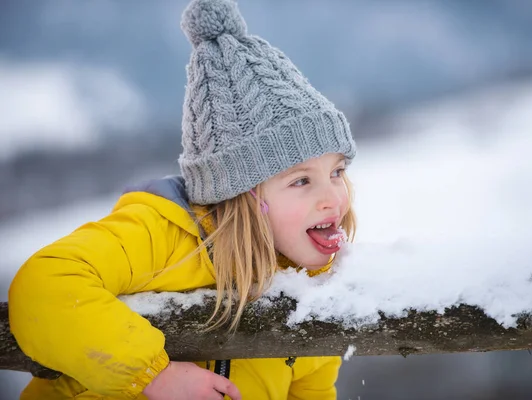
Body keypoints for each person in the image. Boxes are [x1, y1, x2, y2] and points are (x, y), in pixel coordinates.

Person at [8, 0, 357, 398]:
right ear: (238, 194)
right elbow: (44, 286)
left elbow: (310, 391)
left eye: (337, 172)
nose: (333, 197)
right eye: (301, 181)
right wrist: (153, 376)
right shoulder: (160, 236)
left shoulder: (312, 286)